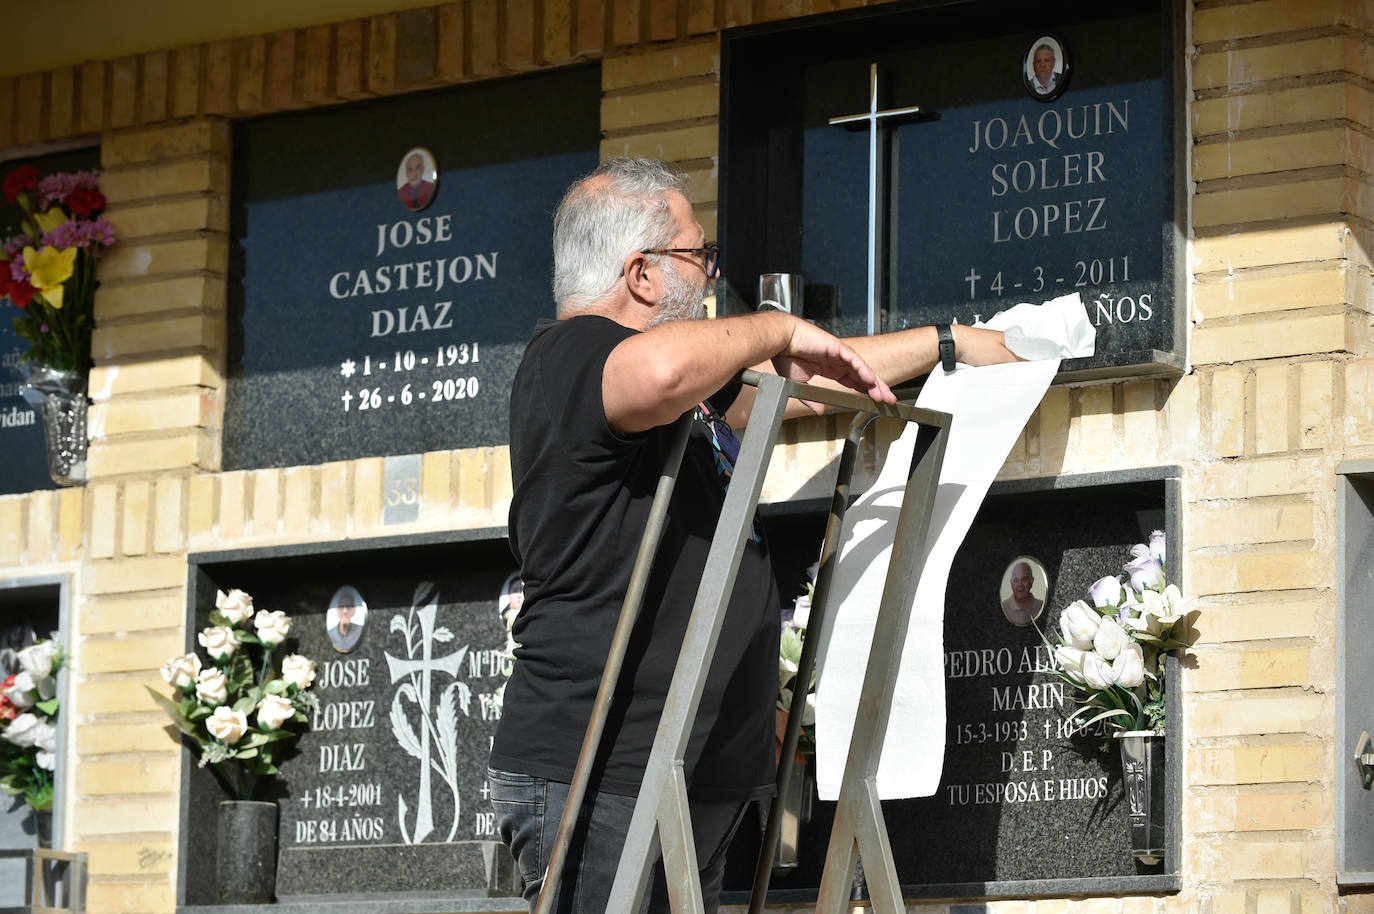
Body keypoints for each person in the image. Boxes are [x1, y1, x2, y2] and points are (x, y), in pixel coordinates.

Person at [488, 157, 1019, 914]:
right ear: (640, 274)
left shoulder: (676, 383)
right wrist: (773, 325)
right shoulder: (571, 356)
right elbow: (669, 369)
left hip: (680, 774)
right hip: (602, 770)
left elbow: (819, 382)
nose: (708, 275)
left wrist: (950, 344)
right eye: (698, 255)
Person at [1001, 560, 1045, 626]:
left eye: (1024, 579)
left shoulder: (1041, 606)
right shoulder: (1004, 607)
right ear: (1011, 583)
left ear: (1031, 581)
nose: (1020, 584)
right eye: (1016, 580)